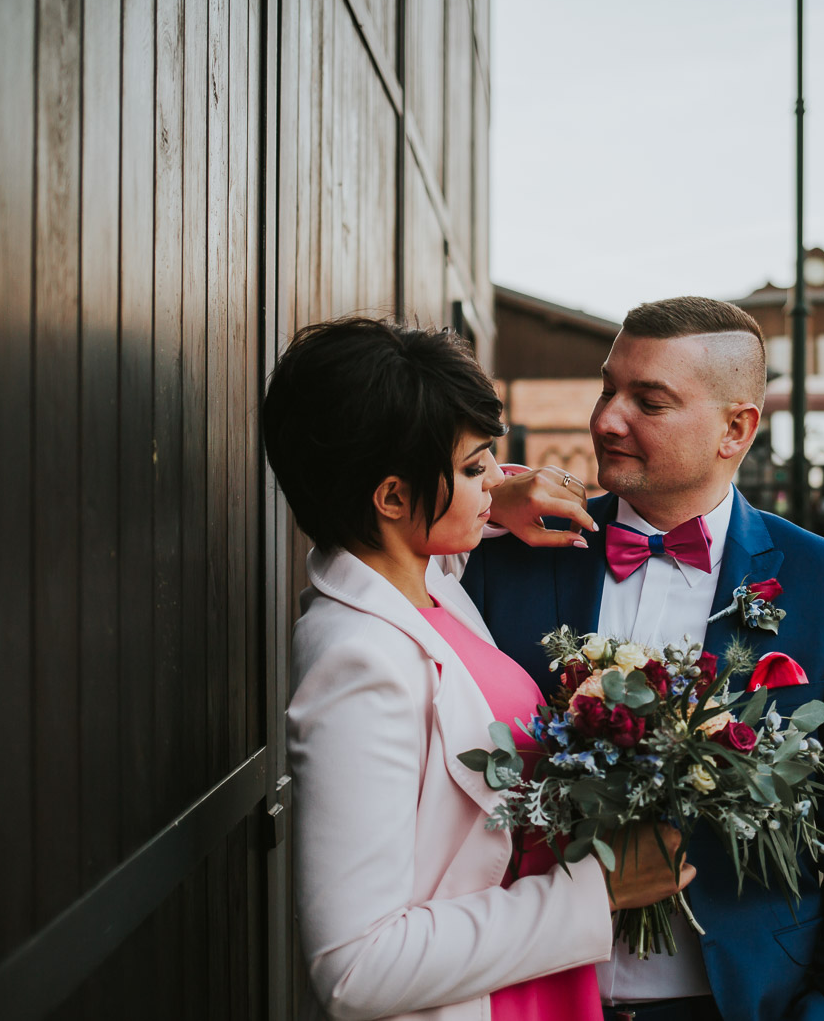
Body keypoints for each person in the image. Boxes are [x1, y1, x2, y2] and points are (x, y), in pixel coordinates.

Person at [461, 298, 824, 1021]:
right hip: (534, 991)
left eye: (650, 401)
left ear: (736, 428)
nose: (607, 418)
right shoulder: (510, 559)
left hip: (737, 999)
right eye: (609, 388)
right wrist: (485, 498)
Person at [264, 317, 695, 1021]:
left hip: (526, 985)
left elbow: (454, 536)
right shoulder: (357, 661)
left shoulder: (423, 582)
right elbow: (354, 968)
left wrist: (500, 493)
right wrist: (596, 891)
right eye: (472, 469)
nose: (495, 482)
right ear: (394, 498)